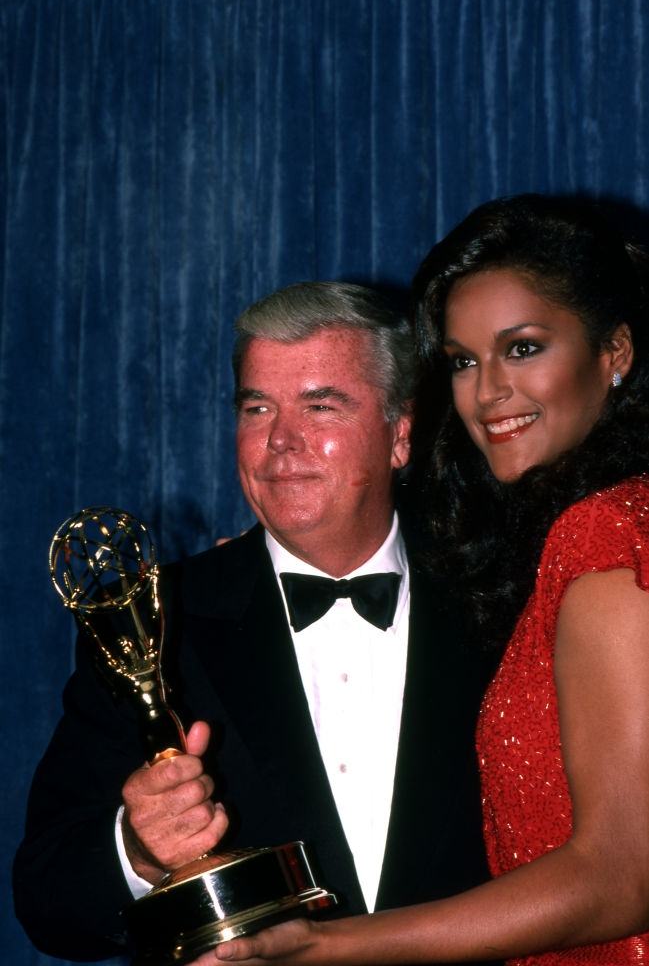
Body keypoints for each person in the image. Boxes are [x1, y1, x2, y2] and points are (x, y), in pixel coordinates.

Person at [205, 195, 649, 966]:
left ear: (614, 351)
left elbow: (619, 874)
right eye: (461, 361)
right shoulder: (540, 542)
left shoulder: (605, 533)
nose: (486, 392)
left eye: (522, 349)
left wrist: (324, 946)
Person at [13, 282, 495, 963]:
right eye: (256, 407)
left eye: (321, 406)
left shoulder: (499, 596)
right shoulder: (151, 616)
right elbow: (44, 902)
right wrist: (136, 850)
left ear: (400, 435)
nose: (279, 441)